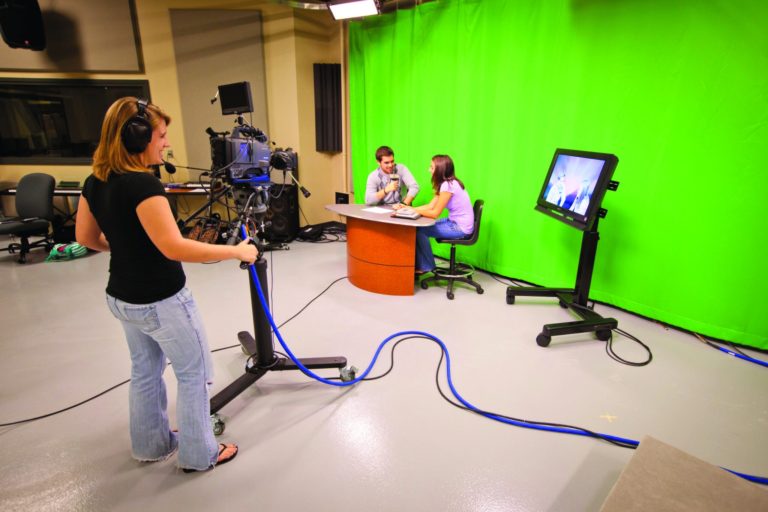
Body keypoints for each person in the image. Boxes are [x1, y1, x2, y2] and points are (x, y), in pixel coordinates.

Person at [76, 97, 258, 473]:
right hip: (161, 300)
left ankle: (152, 445)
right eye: (160, 135)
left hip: (122, 297)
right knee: (193, 373)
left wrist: (126, 245)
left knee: (145, 370)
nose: (165, 143)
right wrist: (236, 252)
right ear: (136, 136)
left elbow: (87, 237)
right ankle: (200, 454)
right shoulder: (144, 185)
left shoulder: (95, 181)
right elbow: (174, 247)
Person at [394, 155, 474, 274]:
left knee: (420, 230)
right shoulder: (447, 183)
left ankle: (426, 266)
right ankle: (426, 264)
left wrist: (412, 210)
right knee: (420, 227)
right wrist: (408, 207)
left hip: (460, 228)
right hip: (453, 222)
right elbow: (430, 206)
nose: (429, 170)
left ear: (440, 170)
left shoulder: (448, 185)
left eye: (431, 167)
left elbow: (435, 213)